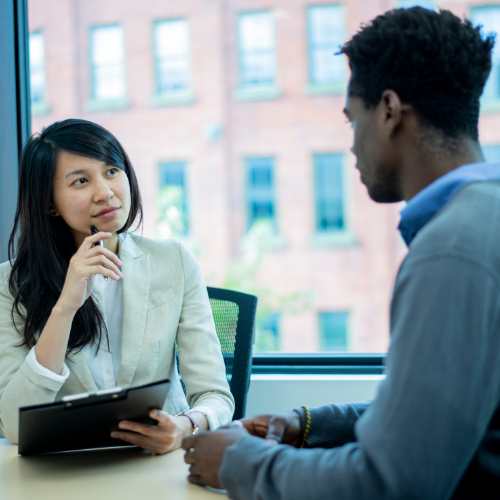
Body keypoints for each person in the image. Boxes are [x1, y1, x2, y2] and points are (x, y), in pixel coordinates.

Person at [181, 7, 500, 499]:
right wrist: (309, 424)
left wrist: (238, 462)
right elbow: (439, 415)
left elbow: (392, 482)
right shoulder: (485, 218)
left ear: (389, 111)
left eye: (353, 120)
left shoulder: (452, 252)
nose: (351, 147)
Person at [0, 119, 234, 452]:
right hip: (65, 466)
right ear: (49, 202)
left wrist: (185, 425)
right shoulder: (9, 285)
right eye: (81, 180)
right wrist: (65, 307)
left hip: (155, 460)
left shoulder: (174, 262)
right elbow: (13, 426)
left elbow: (215, 395)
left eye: (112, 171)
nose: (105, 192)